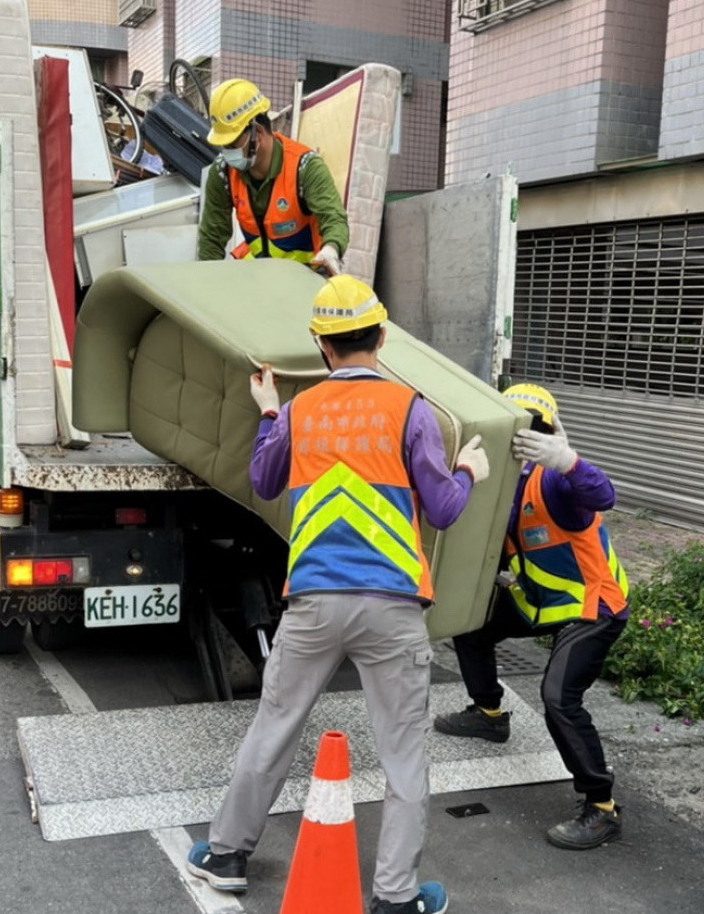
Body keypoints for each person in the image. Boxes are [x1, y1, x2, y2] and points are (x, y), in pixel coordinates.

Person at [187, 275, 490, 914]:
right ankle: (395, 898)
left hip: (314, 603)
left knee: (274, 728)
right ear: (381, 337)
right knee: (402, 753)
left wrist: (270, 409)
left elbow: (265, 480)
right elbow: (442, 508)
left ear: (322, 346)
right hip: (391, 606)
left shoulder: (301, 411)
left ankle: (227, 856)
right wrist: (468, 468)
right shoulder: (412, 410)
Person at [433, 383, 630, 850]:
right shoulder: (503, 484)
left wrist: (568, 460)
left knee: (559, 697)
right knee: (471, 623)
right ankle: (489, 713)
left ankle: (602, 808)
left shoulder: (557, 481)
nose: (525, 438)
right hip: (540, 601)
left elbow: (603, 495)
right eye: (518, 427)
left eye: (537, 429)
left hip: (593, 607)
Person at [198, 78, 349, 274]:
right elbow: (212, 236)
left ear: (257, 133)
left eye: (231, 144)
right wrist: (206, 282)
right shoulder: (222, 173)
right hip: (259, 276)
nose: (226, 152)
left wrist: (331, 248)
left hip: (305, 276)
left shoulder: (304, 167)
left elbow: (334, 219)